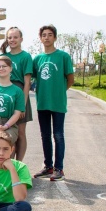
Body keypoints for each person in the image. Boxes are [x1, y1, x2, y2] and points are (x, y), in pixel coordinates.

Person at [32, 24, 74, 181]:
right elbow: (33, 79)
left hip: (58, 103)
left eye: (50, 35)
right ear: (40, 38)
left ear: (55, 37)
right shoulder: (37, 59)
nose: (47, 37)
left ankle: (59, 168)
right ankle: (48, 166)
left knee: (58, 135)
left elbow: (70, 79)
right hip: (42, 102)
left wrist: (59, 91)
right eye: (44, 35)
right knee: (45, 135)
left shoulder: (63, 56)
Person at [1, 27, 33, 161]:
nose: (12, 40)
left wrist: (22, 105)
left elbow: (27, 83)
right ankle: (8, 162)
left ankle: (19, 163)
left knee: (20, 133)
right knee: (9, 133)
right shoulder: (4, 57)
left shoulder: (25, 56)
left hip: (20, 95)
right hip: (6, 95)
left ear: (21, 39)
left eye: (15, 37)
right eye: (9, 37)